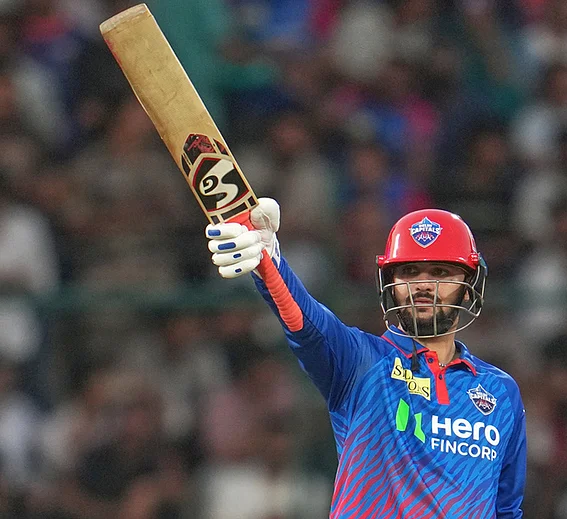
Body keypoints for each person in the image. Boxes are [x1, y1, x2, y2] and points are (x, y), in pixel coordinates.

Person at [205, 199, 527, 518]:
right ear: (390, 284)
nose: (423, 285)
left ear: (469, 287)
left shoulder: (501, 392)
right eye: (409, 272)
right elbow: (308, 324)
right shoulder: (363, 364)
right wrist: (269, 260)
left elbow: (507, 510)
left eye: (440, 272)